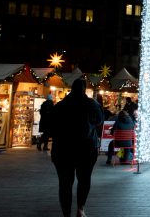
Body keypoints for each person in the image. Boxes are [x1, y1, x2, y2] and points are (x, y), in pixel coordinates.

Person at [50, 78, 103, 217]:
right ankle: (80, 209)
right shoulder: (92, 104)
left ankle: (66, 213)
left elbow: (52, 125)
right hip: (85, 148)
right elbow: (99, 120)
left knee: (65, 183)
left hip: (63, 149)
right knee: (84, 179)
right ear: (84, 89)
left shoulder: (61, 105)